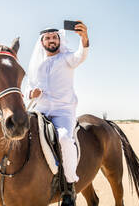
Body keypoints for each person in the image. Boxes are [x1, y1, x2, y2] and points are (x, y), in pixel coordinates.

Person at [26, 21, 89, 205]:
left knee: (63, 139)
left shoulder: (67, 58)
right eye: (48, 38)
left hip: (63, 111)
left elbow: (81, 55)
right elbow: (27, 88)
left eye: (54, 37)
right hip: (41, 110)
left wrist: (83, 37)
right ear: (42, 41)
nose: (51, 40)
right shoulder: (36, 65)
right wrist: (31, 93)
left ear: (59, 40)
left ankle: (69, 188)